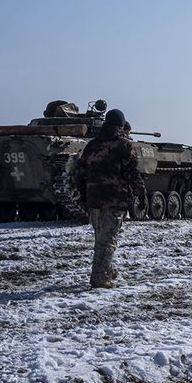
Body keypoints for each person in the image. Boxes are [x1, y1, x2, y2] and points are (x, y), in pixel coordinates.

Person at [71, 108, 146, 289]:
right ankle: (100, 278)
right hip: (115, 199)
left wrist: (83, 195)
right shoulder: (124, 145)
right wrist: (141, 193)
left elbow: (79, 173)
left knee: (101, 238)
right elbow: (132, 173)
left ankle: (107, 269)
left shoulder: (92, 145)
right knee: (108, 239)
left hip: (94, 199)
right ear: (121, 125)